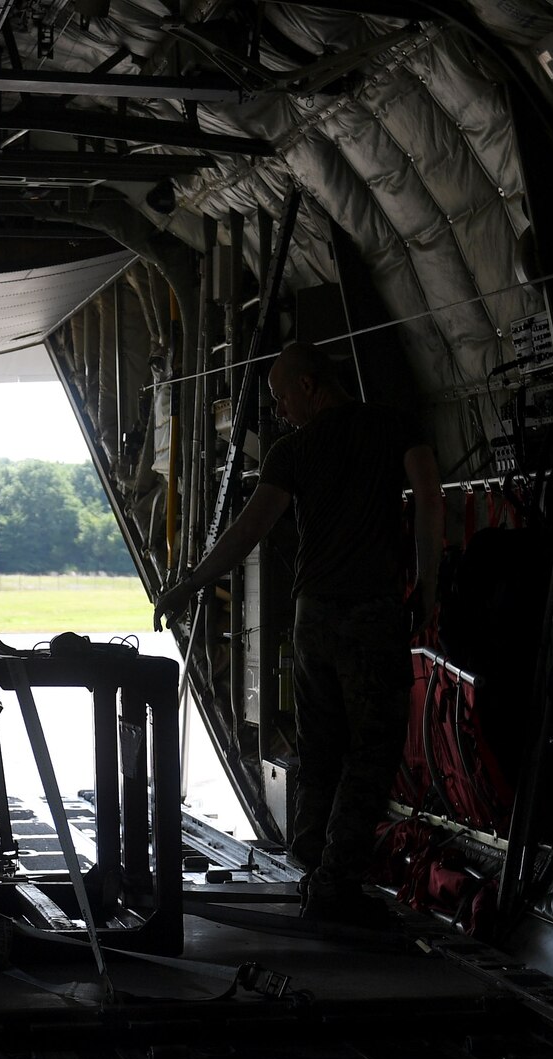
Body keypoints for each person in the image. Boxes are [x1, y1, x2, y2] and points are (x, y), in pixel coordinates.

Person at [153, 342, 444, 918]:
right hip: (371, 614)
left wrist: (189, 583)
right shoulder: (394, 427)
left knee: (321, 748)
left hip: (314, 617)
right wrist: (430, 588)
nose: (281, 411)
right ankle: (336, 879)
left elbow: (246, 532)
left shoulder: (294, 451)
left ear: (311, 385)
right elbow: (431, 499)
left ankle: (311, 863)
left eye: (283, 397)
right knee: (371, 750)